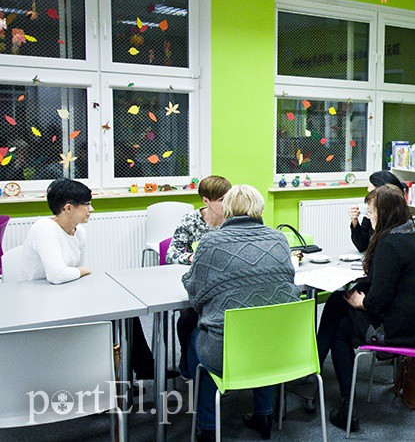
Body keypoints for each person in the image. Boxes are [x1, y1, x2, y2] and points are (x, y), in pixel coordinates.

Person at [19, 178, 172, 381]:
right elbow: (57, 275)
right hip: (41, 301)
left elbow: (72, 271)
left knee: (126, 308)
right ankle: (122, 374)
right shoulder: (44, 228)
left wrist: (79, 272)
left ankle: (139, 370)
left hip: (66, 292)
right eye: (87, 204)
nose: (91, 209)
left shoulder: (79, 231)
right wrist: (81, 271)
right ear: (68, 208)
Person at [183, 184, 299, 442]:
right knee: (263, 330)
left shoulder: (211, 242)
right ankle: (264, 415)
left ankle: (207, 427)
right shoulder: (279, 239)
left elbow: (196, 295)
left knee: (196, 340)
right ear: (259, 208)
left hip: (227, 352)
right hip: (279, 348)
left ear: (227, 209)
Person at [320, 185, 415, 432]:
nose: (368, 217)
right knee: (338, 301)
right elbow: (391, 285)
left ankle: (343, 401)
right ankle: (318, 363)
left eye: (371, 212)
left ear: (384, 213)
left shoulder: (389, 245)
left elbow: (378, 302)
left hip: (398, 331)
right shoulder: (411, 236)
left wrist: (362, 302)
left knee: (339, 326)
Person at [165, 175, 232, 378]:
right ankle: (187, 361)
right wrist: (193, 256)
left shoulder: (233, 220)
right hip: (198, 282)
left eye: (228, 198)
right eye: (221, 200)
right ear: (206, 201)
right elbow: (171, 254)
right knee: (188, 315)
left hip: (225, 283)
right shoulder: (191, 220)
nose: (226, 204)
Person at [347, 170, 405, 252]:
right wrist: (354, 221)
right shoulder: (373, 212)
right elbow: (362, 245)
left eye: (371, 193)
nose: (368, 195)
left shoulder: (401, 217)